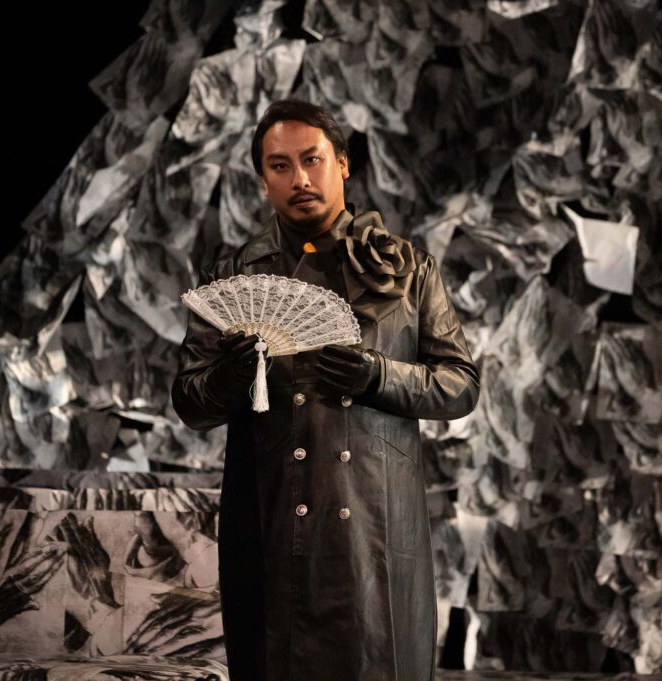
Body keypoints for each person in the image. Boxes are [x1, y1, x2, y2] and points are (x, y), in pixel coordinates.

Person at [170, 99, 480, 681]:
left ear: (342, 164)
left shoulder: (409, 270)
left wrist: (379, 376)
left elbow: (460, 386)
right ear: (263, 180)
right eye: (280, 165)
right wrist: (233, 375)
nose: (300, 179)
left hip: (375, 526)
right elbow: (190, 403)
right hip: (270, 520)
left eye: (312, 160)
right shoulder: (233, 275)